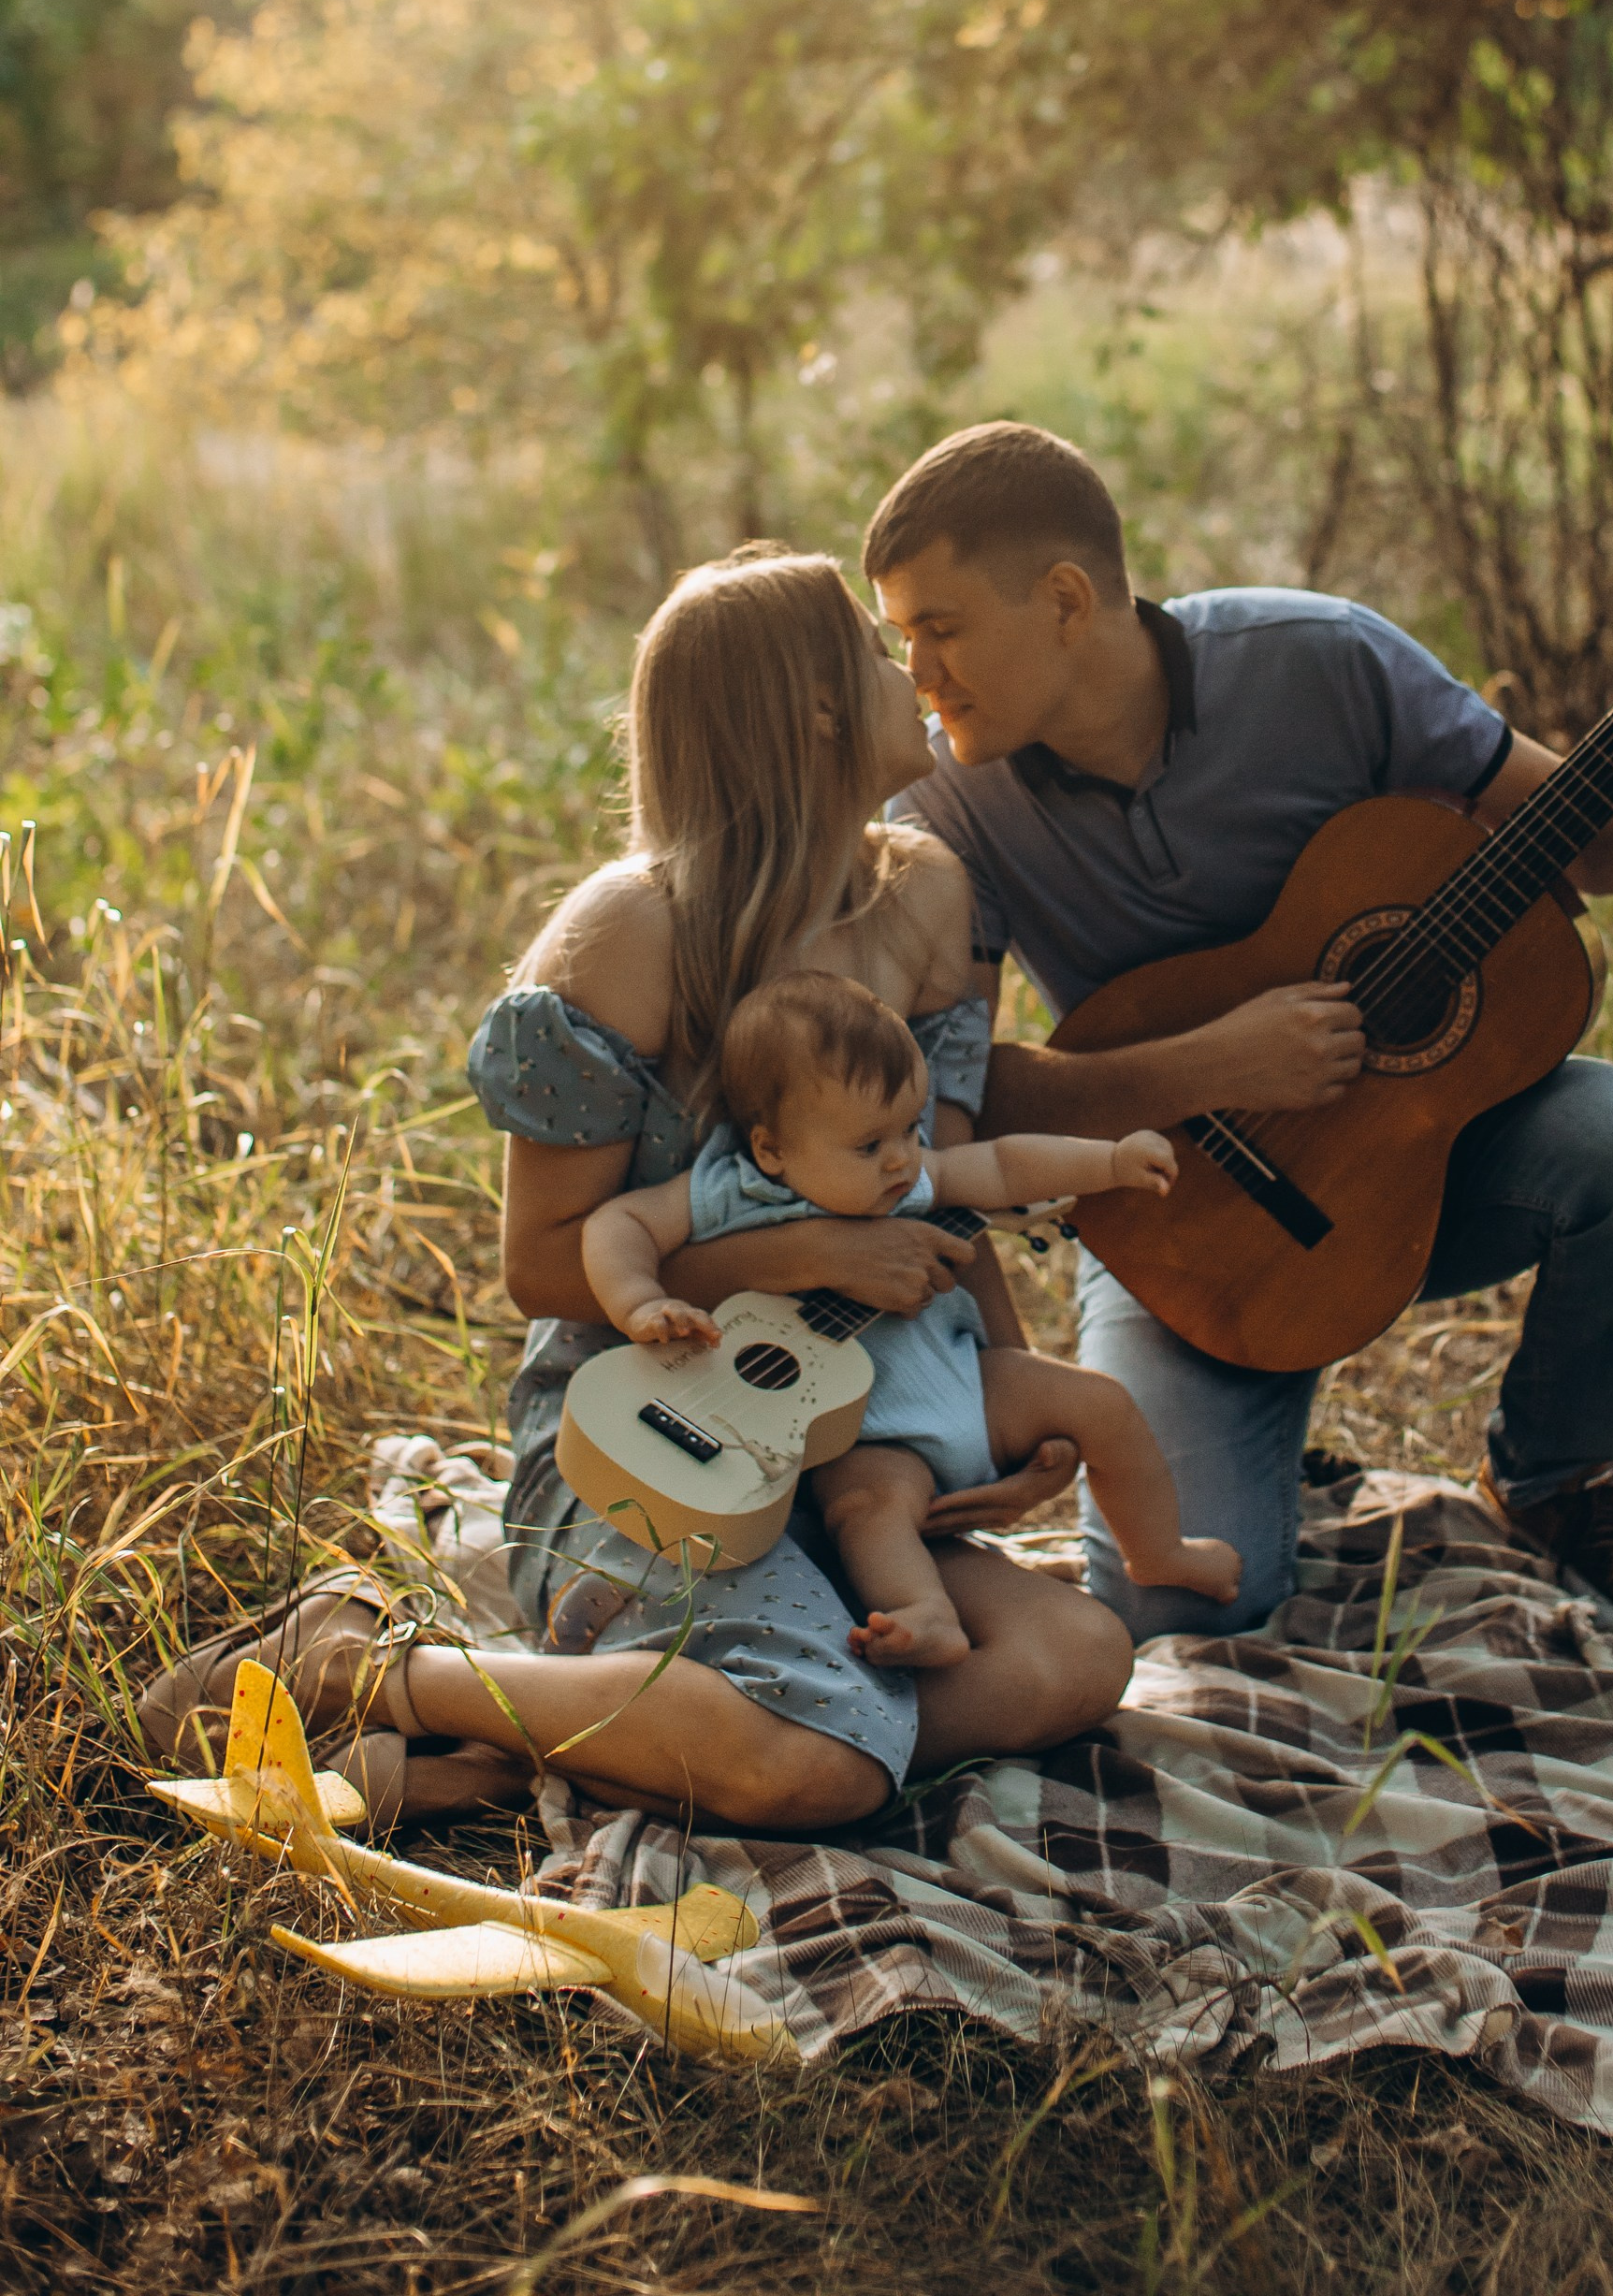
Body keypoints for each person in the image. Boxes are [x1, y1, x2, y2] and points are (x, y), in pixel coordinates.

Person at [140, 547, 1132, 1833]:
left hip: (862, 1438)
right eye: (879, 653)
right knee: (817, 1767)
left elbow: (932, 1193)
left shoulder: (927, 898)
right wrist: (795, 1261)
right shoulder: (631, 935)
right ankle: (377, 1670)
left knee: (1076, 1660)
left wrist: (1007, 1396)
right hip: (649, 1433)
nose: (917, 676)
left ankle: (581, 1734)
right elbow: (545, 1266)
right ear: (822, 707)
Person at [867, 421, 1613, 1639]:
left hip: (1428, 1161)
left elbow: (1597, 846)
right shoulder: (946, 802)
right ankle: (1265, 1461)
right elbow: (955, 1104)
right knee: (1181, 1609)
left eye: (938, 628)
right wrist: (1212, 1063)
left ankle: (1551, 1484)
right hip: (1190, 1216)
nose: (918, 671)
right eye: (900, 638)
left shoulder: (1320, 661)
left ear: (1064, 598)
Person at [584, 967, 1242, 1666]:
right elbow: (620, 1220)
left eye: (909, 1127)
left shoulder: (910, 1178)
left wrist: (1109, 1161)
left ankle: (1156, 1551)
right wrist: (638, 1300)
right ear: (771, 1150)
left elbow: (1004, 1167)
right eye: (870, 1145)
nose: (902, 1157)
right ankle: (923, 1612)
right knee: (866, 1512)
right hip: (868, 1440)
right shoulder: (728, 1190)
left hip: (966, 1384)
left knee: (1100, 1403)